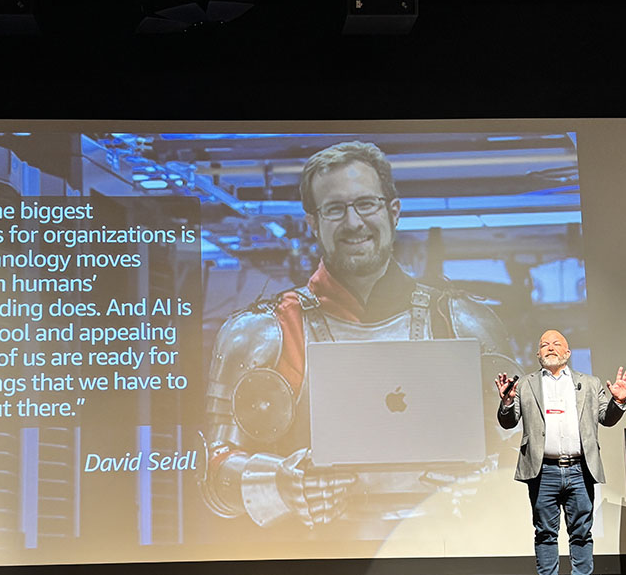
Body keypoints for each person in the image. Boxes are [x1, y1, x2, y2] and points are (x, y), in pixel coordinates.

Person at [200, 140, 520, 531]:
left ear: (394, 211)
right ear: (313, 223)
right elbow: (214, 472)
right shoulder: (264, 333)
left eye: (366, 204)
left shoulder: (462, 323)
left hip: (446, 564)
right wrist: (280, 480)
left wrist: (487, 481)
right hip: (316, 573)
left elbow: (525, 447)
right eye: (335, 209)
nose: (353, 222)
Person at [494, 330, 626, 575]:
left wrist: (619, 401)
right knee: (545, 532)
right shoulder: (525, 385)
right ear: (537, 354)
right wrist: (507, 402)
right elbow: (508, 423)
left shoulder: (590, 384)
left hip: (579, 469)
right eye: (544, 345)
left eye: (556, 343)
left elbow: (606, 419)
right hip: (542, 470)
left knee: (581, 532)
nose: (550, 348)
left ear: (568, 353)